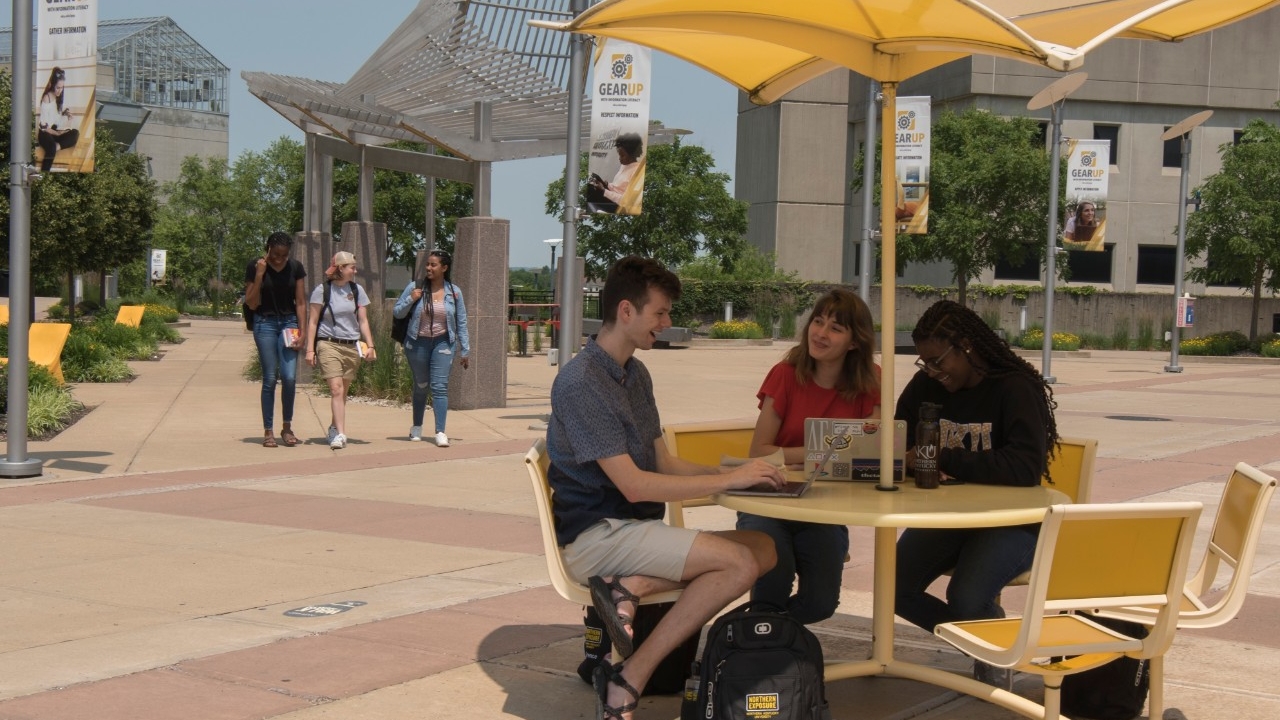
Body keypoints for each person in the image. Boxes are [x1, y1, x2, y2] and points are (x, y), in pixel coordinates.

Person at [548, 256, 787, 720]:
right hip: (597, 536)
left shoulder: (635, 374)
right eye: (660, 312)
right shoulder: (580, 382)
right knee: (738, 564)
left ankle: (631, 585)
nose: (667, 321)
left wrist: (738, 473)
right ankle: (630, 677)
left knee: (764, 547)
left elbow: (662, 462)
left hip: (632, 532)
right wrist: (730, 481)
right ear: (625, 311)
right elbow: (635, 486)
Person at [893, 299, 1059, 686]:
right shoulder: (926, 386)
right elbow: (897, 436)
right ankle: (993, 640)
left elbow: (1023, 469)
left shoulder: (1015, 388)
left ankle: (989, 649)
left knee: (966, 597)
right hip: (951, 517)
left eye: (937, 360)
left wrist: (939, 456)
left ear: (966, 346)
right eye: (924, 362)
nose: (932, 371)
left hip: (1013, 521)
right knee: (892, 587)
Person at [736, 288, 880, 623]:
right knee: (773, 581)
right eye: (818, 321)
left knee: (820, 603)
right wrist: (823, 452)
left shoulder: (870, 381)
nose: (820, 333)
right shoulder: (784, 375)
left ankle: (760, 633)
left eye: (835, 328)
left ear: (855, 342)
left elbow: (870, 453)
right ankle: (760, 642)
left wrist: (803, 457)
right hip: (769, 499)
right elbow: (759, 452)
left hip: (823, 506)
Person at [392, 249, 470, 447]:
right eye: (427, 264)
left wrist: (465, 349)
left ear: (444, 268)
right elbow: (398, 313)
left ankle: (440, 431)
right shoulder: (415, 287)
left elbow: (461, 322)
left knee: (439, 387)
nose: (428, 268)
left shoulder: (454, 292)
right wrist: (412, 298)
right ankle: (416, 426)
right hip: (417, 342)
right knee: (421, 385)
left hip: (443, 343)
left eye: (433, 265)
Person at [304, 251, 376, 450]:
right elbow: (313, 322)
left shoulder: (357, 290)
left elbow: (363, 320)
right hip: (328, 344)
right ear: (340, 269)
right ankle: (341, 434)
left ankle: (334, 427)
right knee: (336, 389)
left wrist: (370, 345)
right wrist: (310, 349)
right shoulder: (322, 290)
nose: (355, 270)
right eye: (352, 267)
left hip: (351, 346)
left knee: (342, 392)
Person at [243, 231, 307, 448]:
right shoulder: (254, 266)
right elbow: (251, 303)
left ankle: (287, 427)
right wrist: (260, 275)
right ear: (268, 249)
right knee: (270, 378)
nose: (279, 259)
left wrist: (304, 331)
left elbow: (300, 302)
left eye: (284, 255)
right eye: (275, 255)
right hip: (265, 323)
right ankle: (268, 430)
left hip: (290, 324)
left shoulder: (296, 267)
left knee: (289, 377)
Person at [586, 133, 643, 213]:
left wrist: (604, 191)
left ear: (632, 154)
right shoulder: (625, 165)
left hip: (619, 206)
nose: (619, 158)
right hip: (611, 197)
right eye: (619, 155)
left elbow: (627, 202)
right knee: (592, 180)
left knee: (591, 190)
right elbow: (619, 188)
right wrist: (607, 185)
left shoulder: (637, 172)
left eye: (622, 155)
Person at [37, 67, 80, 173]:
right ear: (52, 85)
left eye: (62, 88)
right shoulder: (46, 98)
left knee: (75, 133)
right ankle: (44, 172)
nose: (60, 90)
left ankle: (57, 146)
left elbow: (57, 118)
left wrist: (66, 114)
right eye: (58, 88)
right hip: (45, 133)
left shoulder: (58, 98)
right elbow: (43, 126)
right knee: (51, 148)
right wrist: (57, 133)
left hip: (54, 132)